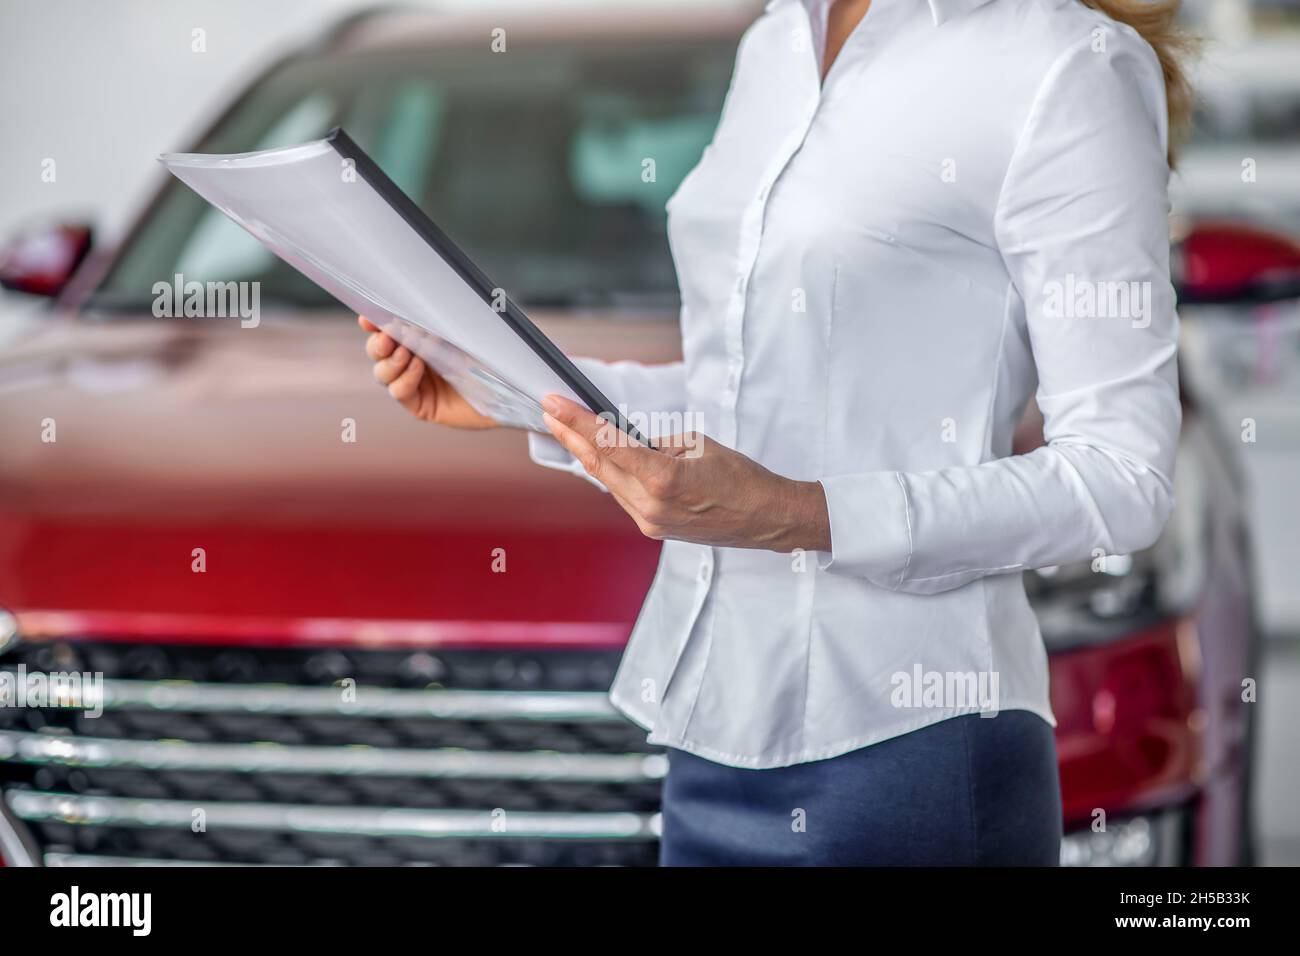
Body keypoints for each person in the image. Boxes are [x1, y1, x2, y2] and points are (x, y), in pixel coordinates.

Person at [359, 0, 1193, 865]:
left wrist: (797, 513)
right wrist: (513, 390)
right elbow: (744, 395)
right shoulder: (774, 43)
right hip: (710, 742)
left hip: (912, 752)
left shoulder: (1066, 65)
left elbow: (1121, 477)